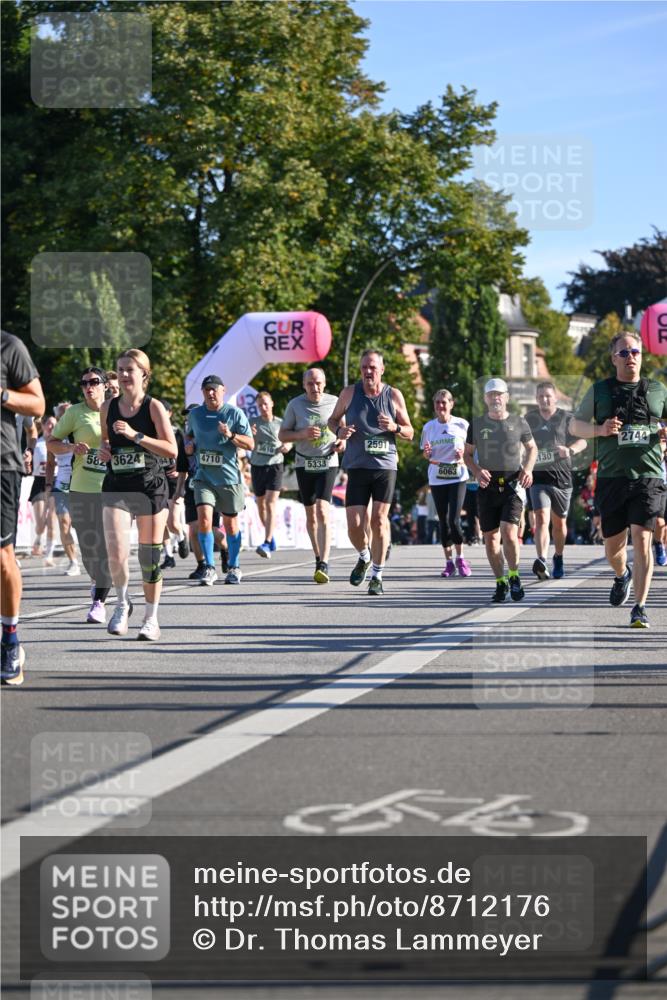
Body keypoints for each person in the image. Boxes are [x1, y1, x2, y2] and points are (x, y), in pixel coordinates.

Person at [570, 331, 667, 628]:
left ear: (642, 356)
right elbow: (575, 426)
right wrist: (600, 430)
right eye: (623, 353)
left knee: (642, 539)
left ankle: (640, 607)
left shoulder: (657, 390)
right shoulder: (599, 391)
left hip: (648, 477)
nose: (631, 357)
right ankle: (620, 574)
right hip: (612, 479)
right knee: (613, 549)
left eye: (635, 352)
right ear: (614, 358)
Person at [98, 349, 177, 640]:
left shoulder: (153, 407)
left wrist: (136, 436)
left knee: (149, 557)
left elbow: (172, 450)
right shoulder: (107, 407)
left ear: (144, 373)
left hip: (150, 485)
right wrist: (104, 451)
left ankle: (151, 617)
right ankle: (121, 604)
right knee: (116, 552)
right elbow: (105, 443)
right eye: (119, 369)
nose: (123, 374)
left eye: (130, 369)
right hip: (117, 484)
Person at [328, 349, 414, 595]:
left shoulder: (393, 395)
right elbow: (333, 421)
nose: (368, 372)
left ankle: (377, 574)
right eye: (364, 367)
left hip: (385, 466)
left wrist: (395, 427)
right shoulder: (349, 393)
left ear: (382, 370)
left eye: (373, 368)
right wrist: (339, 432)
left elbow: (410, 432)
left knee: (378, 519)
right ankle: (364, 556)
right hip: (357, 465)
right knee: (354, 525)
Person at [49, 368, 114, 623]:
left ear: (105, 385)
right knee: (88, 548)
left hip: (113, 488)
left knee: (106, 546)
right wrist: (71, 447)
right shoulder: (74, 413)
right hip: (81, 488)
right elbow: (53, 442)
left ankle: (99, 600)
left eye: (94, 382)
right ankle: (100, 584)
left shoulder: (118, 410)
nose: (89, 386)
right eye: (84, 382)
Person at [464, 378, 536, 603]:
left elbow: (532, 448)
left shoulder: (519, 422)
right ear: (485, 399)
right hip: (487, 486)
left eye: (499, 394)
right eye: (491, 394)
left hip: (513, 485)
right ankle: (500, 582)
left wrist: (528, 469)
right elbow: (466, 454)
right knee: (491, 539)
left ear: (506, 397)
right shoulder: (476, 424)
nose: (495, 398)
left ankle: (514, 575)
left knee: (509, 532)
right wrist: (476, 471)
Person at [1, 329, 45, 685]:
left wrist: (2, 394)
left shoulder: (9, 347)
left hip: (1, 464)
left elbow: (37, 404)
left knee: (2, 560)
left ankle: (11, 639)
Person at [187, 374, 254, 586]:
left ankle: (234, 566)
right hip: (203, 477)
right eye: (207, 389)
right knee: (204, 520)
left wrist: (231, 435)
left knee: (230, 525)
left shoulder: (234, 414)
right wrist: (189, 446)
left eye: (215, 389)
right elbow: (190, 436)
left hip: (228, 478)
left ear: (223, 391)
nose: (211, 393)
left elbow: (250, 444)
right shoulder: (196, 414)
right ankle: (209, 567)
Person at [279, 367, 344, 583]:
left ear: (324, 384)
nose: (314, 388)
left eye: (318, 383)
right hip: (304, 463)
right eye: (310, 384)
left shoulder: (335, 402)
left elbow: (344, 430)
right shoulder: (295, 405)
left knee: (323, 511)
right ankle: (318, 555)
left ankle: (324, 562)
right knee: (310, 515)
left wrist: (341, 442)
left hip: (327, 462)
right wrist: (301, 434)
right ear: (304, 385)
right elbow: (283, 434)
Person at [524, 381, 587, 580]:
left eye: (548, 396)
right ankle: (542, 559)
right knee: (541, 518)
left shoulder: (566, 418)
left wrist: (570, 450)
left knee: (559, 524)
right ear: (536, 399)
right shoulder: (529, 419)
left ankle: (558, 557)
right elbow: (520, 444)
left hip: (562, 479)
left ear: (555, 398)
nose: (544, 399)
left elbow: (583, 440)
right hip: (538, 479)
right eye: (541, 396)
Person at [420, 388, 472, 578]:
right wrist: (427, 453)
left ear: (451, 404)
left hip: (458, 475)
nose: (441, 406)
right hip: (437, 477)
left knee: (454, 519)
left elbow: (472, 451)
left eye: (444, 402)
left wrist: (463, 454)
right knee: (442, 521)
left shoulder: (462, 424)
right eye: (437, 403)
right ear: (434, 406)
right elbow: (426, 454)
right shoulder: (429, 427)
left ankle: (461, 557)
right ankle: (449, 562)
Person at [250, 391, 291, 558]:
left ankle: (266, 541)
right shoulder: (252, 423)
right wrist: (249, 435)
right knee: (260, 505)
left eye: (266, 404)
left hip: (275, 465)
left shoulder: (281, 423)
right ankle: (271, 536)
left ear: (272, 403)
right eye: (260, 405)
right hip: (257, 466)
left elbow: (289, 440)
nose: (263, 407)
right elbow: (245, 442)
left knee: (270, 503)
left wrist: (287, 446)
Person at [45, 402, 80, 576]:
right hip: (61, 486)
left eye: (67, 413)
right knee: (64, 524)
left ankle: (93, 556)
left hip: (82, 484)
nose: (64, 417)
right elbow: (50, 464)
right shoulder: (53, 437)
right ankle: (73, 562)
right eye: (61, 415)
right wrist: (48, 485)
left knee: (82, 525)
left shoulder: (81, 430)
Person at [158, 400, 189, 569]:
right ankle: (168, 555)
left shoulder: (177, 433)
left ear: (169, 414)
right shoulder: (151, 432)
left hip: (174, 482)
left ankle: (182, 536)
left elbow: (187, 456)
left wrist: (180, 469)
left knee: (172, 523)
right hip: (157, 481)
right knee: (160, 521)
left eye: (163, 411)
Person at [29, 415, 58, 562]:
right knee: (41, 523)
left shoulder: (60, 443)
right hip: (39, 483)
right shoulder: (38, 444)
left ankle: (49, 554)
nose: (52, 427)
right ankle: (39, 537)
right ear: (44, 425)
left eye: (54, 424)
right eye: (49, 424)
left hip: (56, 483)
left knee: (52, 519)